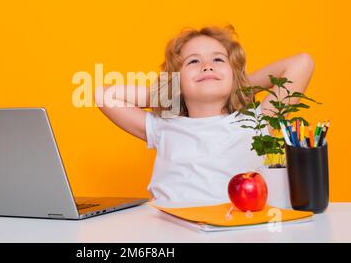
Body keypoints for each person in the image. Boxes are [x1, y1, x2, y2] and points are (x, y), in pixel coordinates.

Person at [94, 25, 314, 207]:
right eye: (193, 61)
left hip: (235, 231)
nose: (207, 67)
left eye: (218, 60)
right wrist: (170, 93)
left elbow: (302, 63)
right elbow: (103, 94)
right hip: (169, 228)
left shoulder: (256, 121)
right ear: (176, 80)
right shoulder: (164, 126)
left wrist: (240, 87)